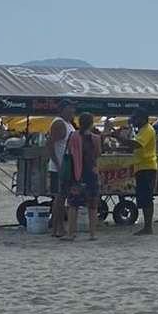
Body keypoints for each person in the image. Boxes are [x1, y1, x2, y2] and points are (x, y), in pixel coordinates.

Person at [62, 112, 101, 241]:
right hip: (91, 172)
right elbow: (97, 154)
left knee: (73, 204)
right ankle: (93, 234)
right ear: (91, 123)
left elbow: (67, 151)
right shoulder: (95, 138)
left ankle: (71, 233)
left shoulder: (73, 136)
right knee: (92, 205)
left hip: (76, 172)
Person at [46, 99, 77, 237]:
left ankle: (58, 228)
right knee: (59, 198)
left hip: (66, 164)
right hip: (60, 166)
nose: (73, 111)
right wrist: (57, 163)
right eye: (71, 108)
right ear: (63, 109)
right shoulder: (59, 123)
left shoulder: (68, 123)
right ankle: (58, 227)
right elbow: (50, 144)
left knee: (62, 197)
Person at [129, 108, 158, 236]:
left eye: (135, 118)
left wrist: (120, 138)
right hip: (142, 167)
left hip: (147, 167)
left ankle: (148, 227)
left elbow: (137, 145)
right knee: (144, 197)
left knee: (146, 198)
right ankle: (147, 226)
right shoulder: (143, 130)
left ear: (143, 118)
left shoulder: (147, 130)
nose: (133, 120)